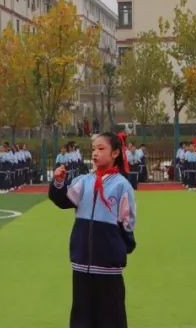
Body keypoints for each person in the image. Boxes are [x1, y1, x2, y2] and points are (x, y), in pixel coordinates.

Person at [49, 132, 137, 328]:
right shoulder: (84, 181)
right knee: (82, 316)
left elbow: (127, 222)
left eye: (101, 148)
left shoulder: (122, 186)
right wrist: (58, 182)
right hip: (82, 262)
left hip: (108, 265)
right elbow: (63, 200)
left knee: (111, 316)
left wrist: (118, 248)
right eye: (93, 149)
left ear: (115, 153)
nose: (95, 153)